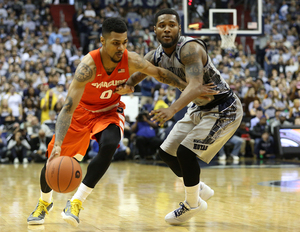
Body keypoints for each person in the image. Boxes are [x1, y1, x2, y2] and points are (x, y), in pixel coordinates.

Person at [27, 17, 196, 227]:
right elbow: (67, 108)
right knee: (53, 161)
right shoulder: (87, 67)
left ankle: (76, 201)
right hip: (81, 113)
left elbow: (160, 73)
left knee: (109, 145)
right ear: (102, 41)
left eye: (124, 42)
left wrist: (189, 88)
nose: (121, 48)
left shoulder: (130, 59)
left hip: (108, 111)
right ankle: (44, 202)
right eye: (116, 43)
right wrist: (59, 142)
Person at [116, 9, 243, 225]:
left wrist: (172, 109)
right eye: (162, 25)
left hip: (223, 108)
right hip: (199, 108)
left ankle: (192, 203)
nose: (167, 28)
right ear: (155, 30)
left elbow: (195, 86)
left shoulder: (190, 48)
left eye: (172, 25)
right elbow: (136, 77)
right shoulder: (155, 56)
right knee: (166, 152)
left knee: (185, 152)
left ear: (179, 29)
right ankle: (198, 189)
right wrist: (125, 86)